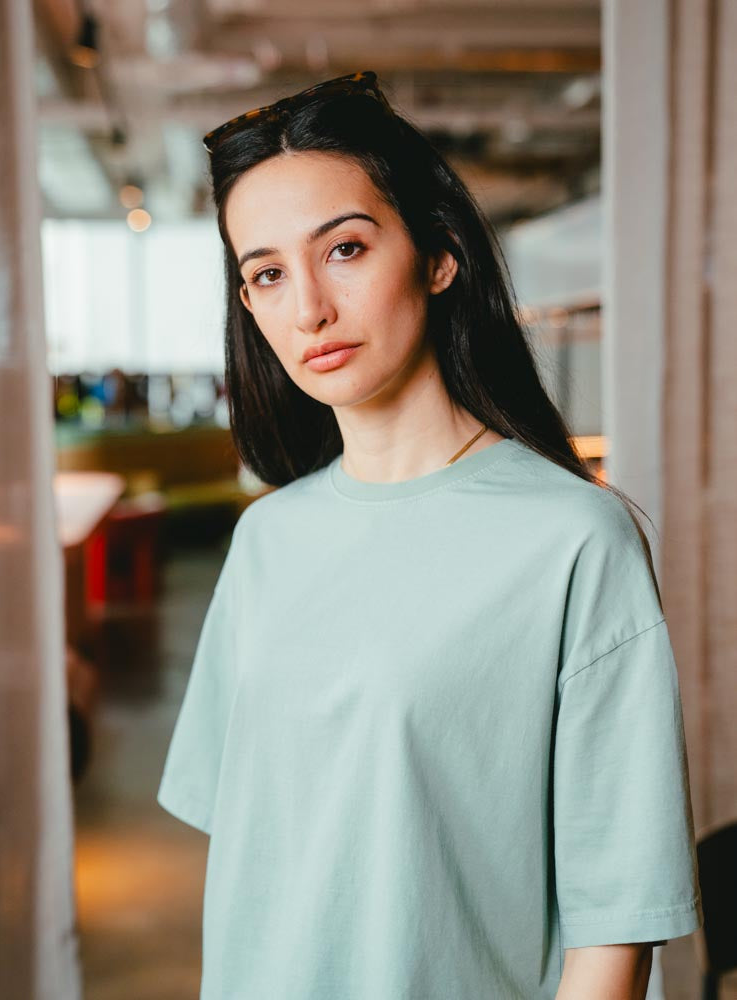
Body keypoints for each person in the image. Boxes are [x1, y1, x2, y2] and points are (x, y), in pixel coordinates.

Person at [157, 71, 703, 999]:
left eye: (346, 249)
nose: (307, 311)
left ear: (438, 254)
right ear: (246, 305)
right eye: (267, 273)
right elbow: (257, 858)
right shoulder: (267, 541)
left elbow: (615, 931)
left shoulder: (572, 540)